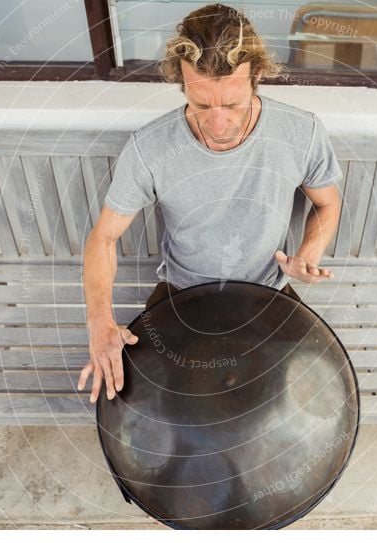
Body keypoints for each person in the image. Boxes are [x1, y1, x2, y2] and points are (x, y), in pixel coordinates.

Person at [78, 3, 343, 405]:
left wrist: (306, 254)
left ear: (256, 77)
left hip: (267, 291)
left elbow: (328, 205)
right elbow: (103, 238)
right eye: (202, 106)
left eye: (233, 105)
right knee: (148, 399)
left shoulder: (301, 132)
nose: (218, 124)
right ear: (183, 85)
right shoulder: (151, 147)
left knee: (274, 403)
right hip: (181, 293)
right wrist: (99, 323)